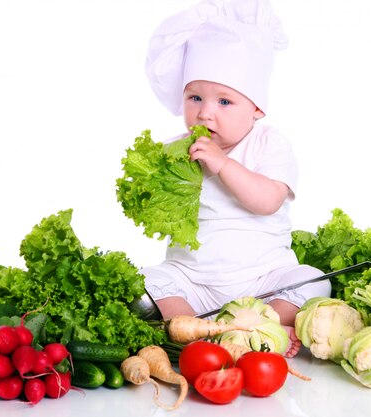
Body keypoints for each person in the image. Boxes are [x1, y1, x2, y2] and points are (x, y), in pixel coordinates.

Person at [140, 0, 328, 358]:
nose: (205, 111)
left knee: (315, 281)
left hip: (264, 280)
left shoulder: (268, 143)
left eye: (224, 102)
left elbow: (268, 200)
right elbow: (152, 210)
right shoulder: (175, 151)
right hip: (193, 283)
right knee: (150, 280)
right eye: (194, 97)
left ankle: (269, 324)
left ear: (256, 108)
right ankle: (195, 332)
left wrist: (222, 165)